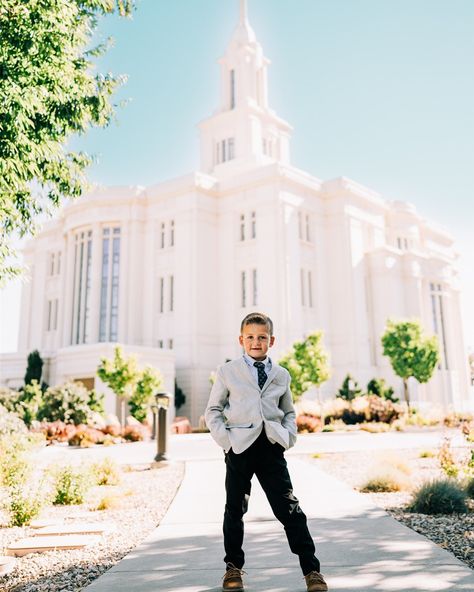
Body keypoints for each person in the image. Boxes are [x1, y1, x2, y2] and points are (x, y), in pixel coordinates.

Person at [205, 312, 328, 592]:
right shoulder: (228, 371)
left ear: (271, 340)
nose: (256, 342)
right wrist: (227, 441)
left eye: (262, 337)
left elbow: (288, 412)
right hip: (240, 447)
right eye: (250, 337)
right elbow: (213, 410)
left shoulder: (281, 374)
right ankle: (232, 567)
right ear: (241, 340)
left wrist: (287, 436)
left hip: (271, 447)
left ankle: (311, 570)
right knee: (234, 508)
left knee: (290, 509)